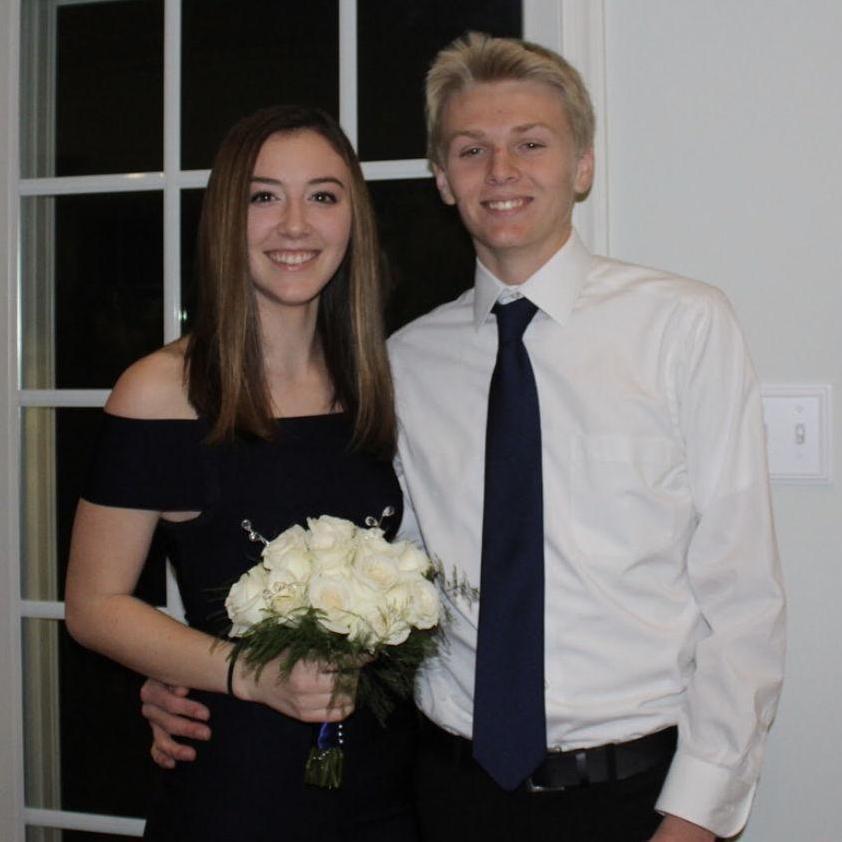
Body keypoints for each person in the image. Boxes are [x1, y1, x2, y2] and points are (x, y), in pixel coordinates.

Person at [141, 33, 786, 842]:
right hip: (445, 793)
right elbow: (373, 572)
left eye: (532, 144)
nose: (501, 171)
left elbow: (742, 597)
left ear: (582, 166)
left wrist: (697, 816)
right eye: (472, 149)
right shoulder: (402, 364)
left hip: (638, 796)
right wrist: (201, 672)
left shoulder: (684, 327)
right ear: (443, 179)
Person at [65, 105, 418, 842]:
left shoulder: (382, 382)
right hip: (238, 790)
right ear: (228, 217)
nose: (295, 224)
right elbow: (94, 605)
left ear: (353, 218)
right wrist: (247, 672)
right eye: (264, 196)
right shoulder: (162, 392)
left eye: (322, 195)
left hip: (392, 788)